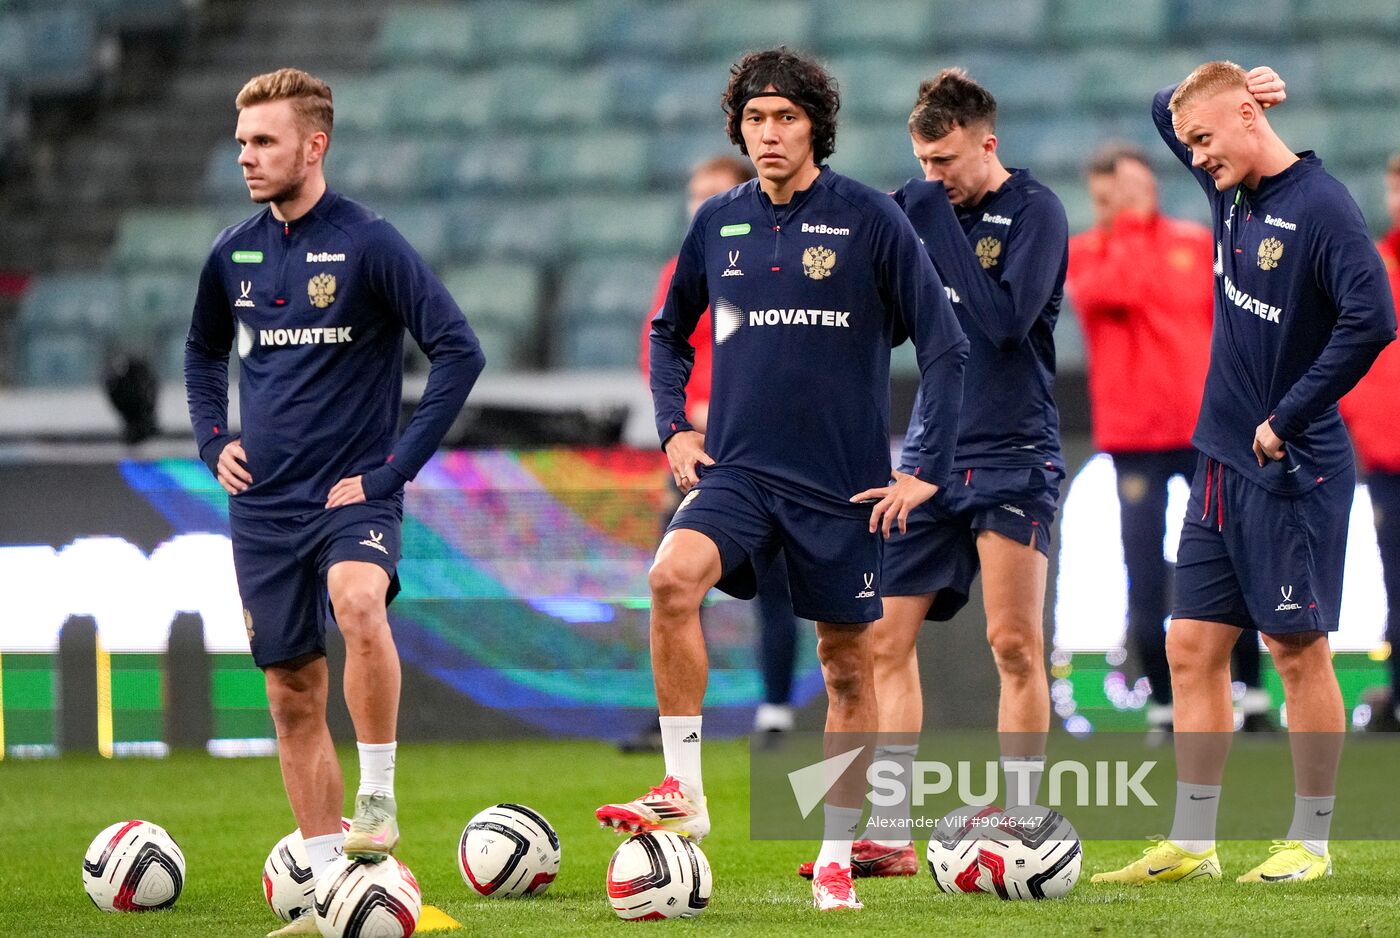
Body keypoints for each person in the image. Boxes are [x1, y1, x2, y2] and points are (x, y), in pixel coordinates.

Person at [595, 47, 969, 912]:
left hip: (842, 486)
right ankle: (682, 790)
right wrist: (673, 429)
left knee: (846, 667)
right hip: (740, 471)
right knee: (669, 580)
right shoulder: (716, 222)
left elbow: (945, 346)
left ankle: (839, 855)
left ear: (815, 129)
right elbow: (666, 333)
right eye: (756, 119)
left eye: (786, 118)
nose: (769, 133)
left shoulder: (871, 219)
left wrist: (923, 469)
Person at [184, 69, 485, 936]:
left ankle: (379, 798)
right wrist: (213, 439)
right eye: (242, 142)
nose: (247, 156)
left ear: (314, 145)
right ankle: (327, 894)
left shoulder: (370, 243)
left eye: (264, 141)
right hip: (264, 508)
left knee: (358, 603)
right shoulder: (233, 250)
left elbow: (458, 351)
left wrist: (392, 473)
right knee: (289, 694)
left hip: (351, 494)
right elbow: (203, 352)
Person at [1093, 62, 1394, 887]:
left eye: (1203, 141)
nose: (1192, 154)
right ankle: (1193, 842)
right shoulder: (1230, 186)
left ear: (1248, 122)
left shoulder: (1322, 208)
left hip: (1292, 465)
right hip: (1220, 459)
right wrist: (1226, 93)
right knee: (1190, 646)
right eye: (1188, 143)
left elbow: (1376, 318)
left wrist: (1287, 415)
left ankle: (1313, 842)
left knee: (1297, 651)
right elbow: (1170, 106)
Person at [801, 67, 1067, 879]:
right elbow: (882, 330)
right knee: (883, 638)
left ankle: (1021, 815)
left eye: (945, 161)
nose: (932, 178)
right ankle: (886, 830)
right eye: (921, 162)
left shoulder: (1037, 212)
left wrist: (929, 229)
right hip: (929, 459)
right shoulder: (921, 209)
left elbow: (1003, 324)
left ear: (987, 143)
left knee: (1014, 643)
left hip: (1015, 453)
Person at [1066, 143, 1271, 738]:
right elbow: (1115, 293)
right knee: (1144, 570)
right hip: (1134, 438)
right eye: (1117, 191)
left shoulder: (1191, 242)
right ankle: (1161, 703)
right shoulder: (1087, 254)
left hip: (1207, 429)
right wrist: (1127, 225)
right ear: (1100, 194)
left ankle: (1252, 695)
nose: (1133, 198)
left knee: (1237, 555)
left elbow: (1230, 321)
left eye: (1138, 187)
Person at [632, 155, 802, 745]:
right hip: (693, 452)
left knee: (775, 585)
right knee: (674, 580)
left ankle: (775, 711)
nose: (699, 205)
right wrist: (683, 419)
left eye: (713, 193)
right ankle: (674, 718)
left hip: (760, 444)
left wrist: (722, 410)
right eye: (694, 194)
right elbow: (657, 348)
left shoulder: (772, 266)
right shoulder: (678, 269)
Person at [1340, 152, 1400, 732]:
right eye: (1394, 189)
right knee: (1396, 580)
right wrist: (1361, 421)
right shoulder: (1373, 264)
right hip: (1389, 456)